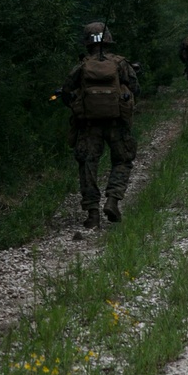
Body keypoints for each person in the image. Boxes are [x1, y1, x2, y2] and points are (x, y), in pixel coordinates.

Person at [61, 22, 139, 229]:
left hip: (88, 126)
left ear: (87, 42)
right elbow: (135, 88)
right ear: (109, 40)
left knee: (88, 164)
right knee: (123, 160)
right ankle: (113, 200)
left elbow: (67, 91)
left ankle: (92, 213)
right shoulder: (120, 63)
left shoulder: (82, 66)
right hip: (116, 124)